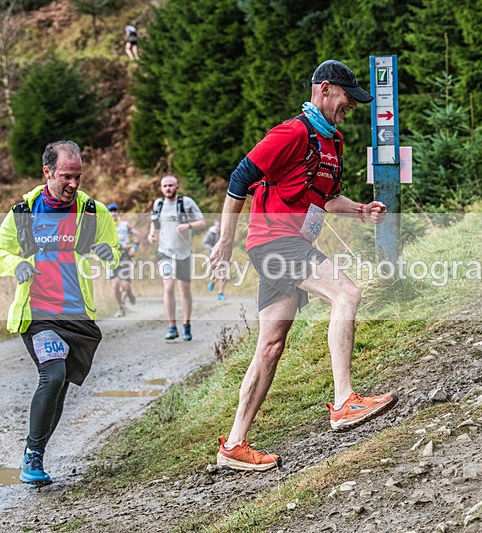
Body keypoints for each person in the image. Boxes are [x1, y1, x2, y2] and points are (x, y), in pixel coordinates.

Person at [209, 59, 396, 472]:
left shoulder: (333, 142)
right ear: (324, 90)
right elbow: (239, 179)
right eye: (347, 99)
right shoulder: (292, 132)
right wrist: (224, 239)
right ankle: (345, 400)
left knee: (271, 345)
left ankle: (234, 445)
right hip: (275, 239)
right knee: (347, 293)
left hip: (288, 242)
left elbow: (324, 199)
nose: (350, 107)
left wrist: (360, 209)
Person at [0, 140, 120, 486]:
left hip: (77, 315)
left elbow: (113, 250)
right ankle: (32, 454)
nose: (73, 184)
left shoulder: (93, 211)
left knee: (60, 386)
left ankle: (37, 454)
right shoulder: (24, 212)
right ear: (47, 173)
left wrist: (109, 253)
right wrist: (16, 264)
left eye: (78, 176)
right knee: (53, 374)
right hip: (38, 314)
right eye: (66, 176)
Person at [147, 175, 205, 341]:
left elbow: (201, 221)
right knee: (169, 286)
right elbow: (155, 223)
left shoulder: (186, 202)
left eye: (171, 185)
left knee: (184, 289)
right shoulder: (158, 204)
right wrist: (152, 234)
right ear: (161, 188)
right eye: (165, 186)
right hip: (165, 251)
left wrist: (188, 225)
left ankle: (186, 324)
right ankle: (172, 326)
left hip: (184, 252)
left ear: (177, 186)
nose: (168, 189)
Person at [108, 203, 139, 317]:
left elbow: (136, 235)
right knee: (115, 286)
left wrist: (134, 247)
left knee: (125, 285)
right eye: (111, 211)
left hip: (124, 256)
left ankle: (129, 293)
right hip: (110, 258)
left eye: (115, 211)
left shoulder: (125, 224)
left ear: (118, 212)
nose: (113, 213)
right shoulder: (105, 226)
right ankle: (120, 307)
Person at [203, 219, 227, 300]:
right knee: (217, 273)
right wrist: (212, 248)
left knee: (224, 274)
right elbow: (205, 243)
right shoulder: (211, 233)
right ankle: (212, 282)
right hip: (213, 256)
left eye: (219, 226)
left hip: (223, 255)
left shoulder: (225, 232)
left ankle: (220, 293)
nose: (218, 227)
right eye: (217, 225)